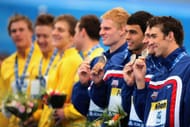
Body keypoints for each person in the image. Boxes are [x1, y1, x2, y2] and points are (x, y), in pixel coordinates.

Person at [129, 16, 190, 127]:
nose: (146, 41)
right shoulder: (158, 71)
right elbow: (145, 116)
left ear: (170, 36)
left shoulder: (187, 68)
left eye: (153, 36)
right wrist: (140, 82)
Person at [77, 7, 130, 126]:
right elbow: (83, 106)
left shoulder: (129, 61)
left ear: (122, 30)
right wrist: (83, 85)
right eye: (101, 28)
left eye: (106, 28)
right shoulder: (99, 60)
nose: (101, 33)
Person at [38, 14, 82, 127]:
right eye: (54, 29)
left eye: (60, 30)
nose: (54, 33)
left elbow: (60, 100)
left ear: (72, 36)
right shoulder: (62, 59)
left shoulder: (71, 60)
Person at [59, 14, 104, 127]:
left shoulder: (98, 58)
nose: (73, 37)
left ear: (82, 32)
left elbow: (96, 99)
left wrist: (67, 112)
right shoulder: (87, 57)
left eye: (75, 32)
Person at [0, 14, 42, 127]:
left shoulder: (43, 56)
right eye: (13, 31)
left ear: (31, 32)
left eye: (21, 30)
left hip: (39, 121)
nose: (18, 34)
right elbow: (3, 99)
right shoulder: (7, 64)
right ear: (10, 35)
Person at [23, 14, 59, 127]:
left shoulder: (60, 61)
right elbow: (34, 96)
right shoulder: (36, 63)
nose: (40, 40)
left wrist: (36, 116)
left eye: (45, 36)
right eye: (38, 36)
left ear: (54, 36)